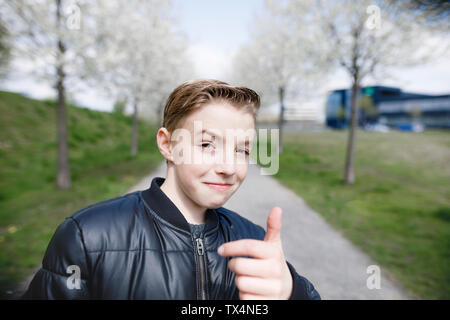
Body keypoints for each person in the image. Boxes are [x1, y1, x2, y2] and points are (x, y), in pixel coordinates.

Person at [22, 79, 320, 300]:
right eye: (207, 145)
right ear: (167, 145)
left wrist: (292, 291)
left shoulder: (253, 242)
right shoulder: (87, 236)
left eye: (242, 150)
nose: (229, 168)